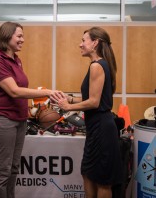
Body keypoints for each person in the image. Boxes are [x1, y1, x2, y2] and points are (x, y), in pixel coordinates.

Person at [0, 21, 60, 198]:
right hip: (2, 121)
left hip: (18, 121)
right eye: (19, 36)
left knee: (12, 170)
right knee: (1, 174)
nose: (23, 40)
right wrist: (47, 92)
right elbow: (14, 91)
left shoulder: (16, 60)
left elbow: (19, 91)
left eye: (22, 36)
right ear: (6, 36)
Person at [51, 27, 123, 198]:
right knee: (88, 174)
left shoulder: (97, 66)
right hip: (96, 128)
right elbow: (91, 98)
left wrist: (67, 108)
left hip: (102, 129)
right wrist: (68, 99)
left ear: (95, 43)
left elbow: (94, 102)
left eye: (84, 40)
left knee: (102, 181)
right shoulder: (99, 64)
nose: (80, 44)